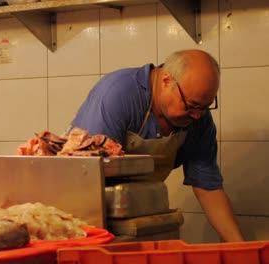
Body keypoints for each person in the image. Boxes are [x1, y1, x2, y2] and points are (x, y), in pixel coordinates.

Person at [71, 49, 243, 242]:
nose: (197, 115)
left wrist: (241, 249)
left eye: (205, 107)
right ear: (166, 81)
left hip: (137, 218)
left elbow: (207, 187)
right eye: (191, 106)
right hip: (86, 219)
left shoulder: (199, 119)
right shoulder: (118, 95)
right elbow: (85, 177)